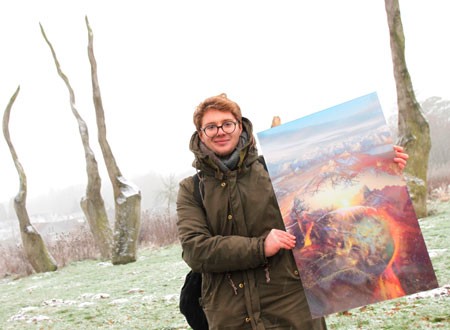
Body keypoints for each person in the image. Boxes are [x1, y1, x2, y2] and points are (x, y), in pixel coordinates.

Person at [176, 93, 408, 329]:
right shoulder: (191, 189)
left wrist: (383, 164)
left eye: (227, 123)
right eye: (211, 127)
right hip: (230, 318)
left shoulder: (276, 171)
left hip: (292, 311)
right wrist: (260, 247)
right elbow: (195, 250)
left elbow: (330, 194)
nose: (220, 131)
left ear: (240, 126)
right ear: (200, 135)